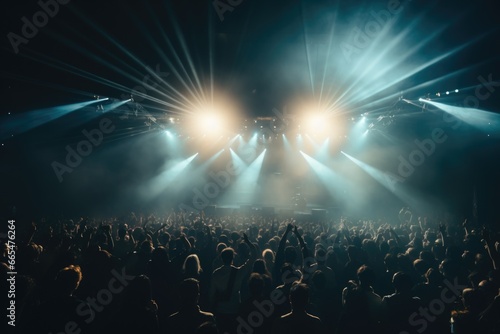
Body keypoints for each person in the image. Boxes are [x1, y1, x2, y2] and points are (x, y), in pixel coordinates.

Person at [210, 233, 257, 334]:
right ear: (233, 258)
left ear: (222, 258)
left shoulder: (216, 273)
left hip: (220, 309)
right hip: (235, 308)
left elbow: (212, 294)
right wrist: (248, 242)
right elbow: (254, 255)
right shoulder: (239, 272)